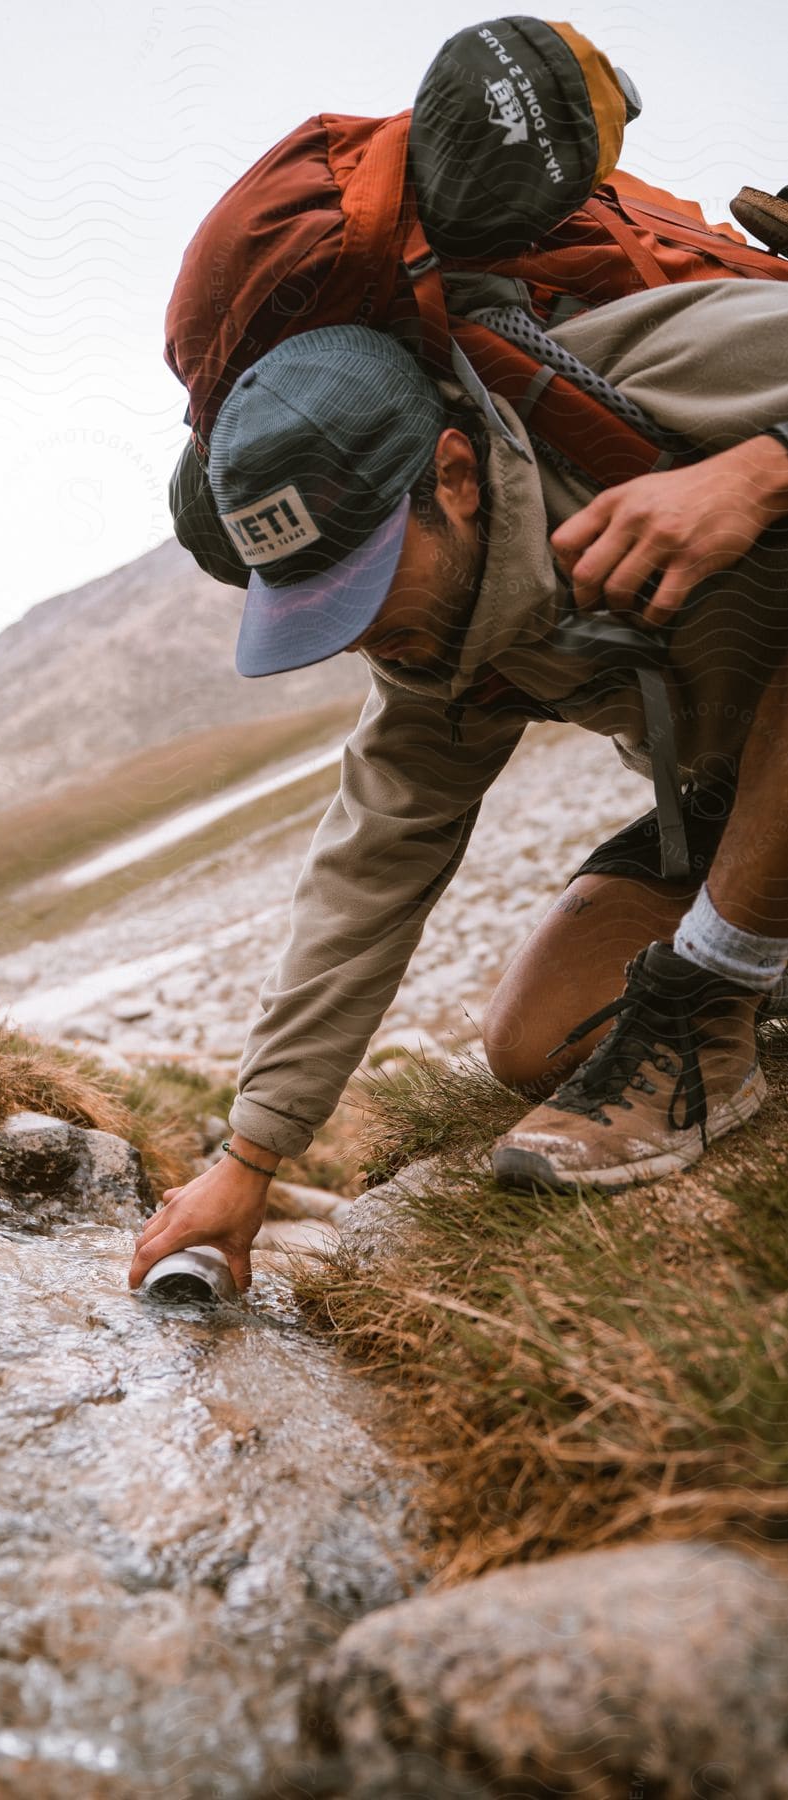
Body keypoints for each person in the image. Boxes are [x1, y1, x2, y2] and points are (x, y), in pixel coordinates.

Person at [128, 276, 788, 1294]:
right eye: (315, 606)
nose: (351, 634)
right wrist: (250, 1157)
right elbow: (367, 874)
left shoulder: (655, 373)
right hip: (744, 794)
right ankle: (750, 960)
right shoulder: (440, 652)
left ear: (453, 476)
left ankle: (715, 993)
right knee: (537, 1037)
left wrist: (759, 470)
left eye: (361, 580)